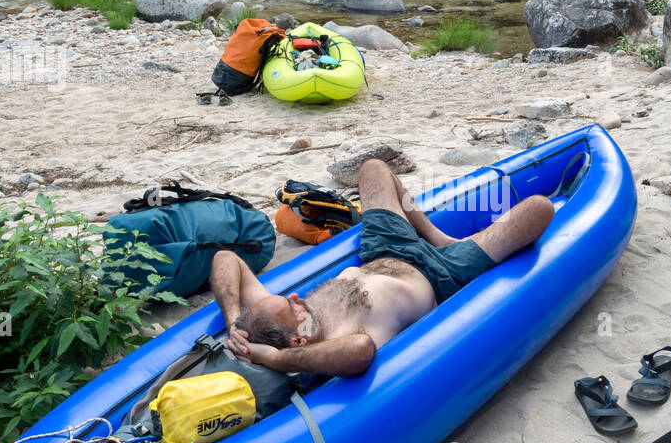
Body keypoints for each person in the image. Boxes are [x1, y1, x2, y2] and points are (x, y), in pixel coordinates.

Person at [209, 159, 554, 377]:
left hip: (383, 248)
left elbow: (225, 259)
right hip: (441, 273)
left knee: (373, 168)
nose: (296, 297)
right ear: (298, 340)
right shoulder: (334, 340)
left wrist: (232, 320)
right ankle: (448, 247)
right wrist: (273, 358)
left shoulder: (283, 318)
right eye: (291, 305)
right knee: (538, 209)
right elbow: (360, 351)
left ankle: (438, 235)